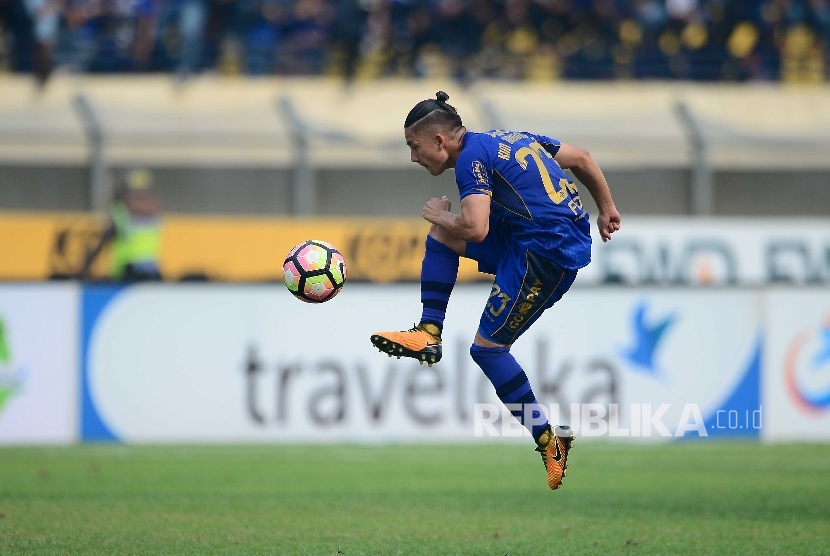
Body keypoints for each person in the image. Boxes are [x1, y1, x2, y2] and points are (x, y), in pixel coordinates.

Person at [370, 91, 621, 490]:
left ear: (440, 141)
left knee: (486, 349)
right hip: (538, 237)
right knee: (442, 235)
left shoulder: (470, 160)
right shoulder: (508, 138)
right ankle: (428, 333)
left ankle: (549, 441)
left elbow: (476, 228)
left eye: (414, 147)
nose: (414, 158)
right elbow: (583, 158)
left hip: (545, 252)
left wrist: (441, 213)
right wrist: (606, 207)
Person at [79, 169, 163, 281]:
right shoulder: (154, 212)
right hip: (151, 270)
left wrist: (85, 266)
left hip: (127, 272)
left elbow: (103, 240)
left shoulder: (120, 212)